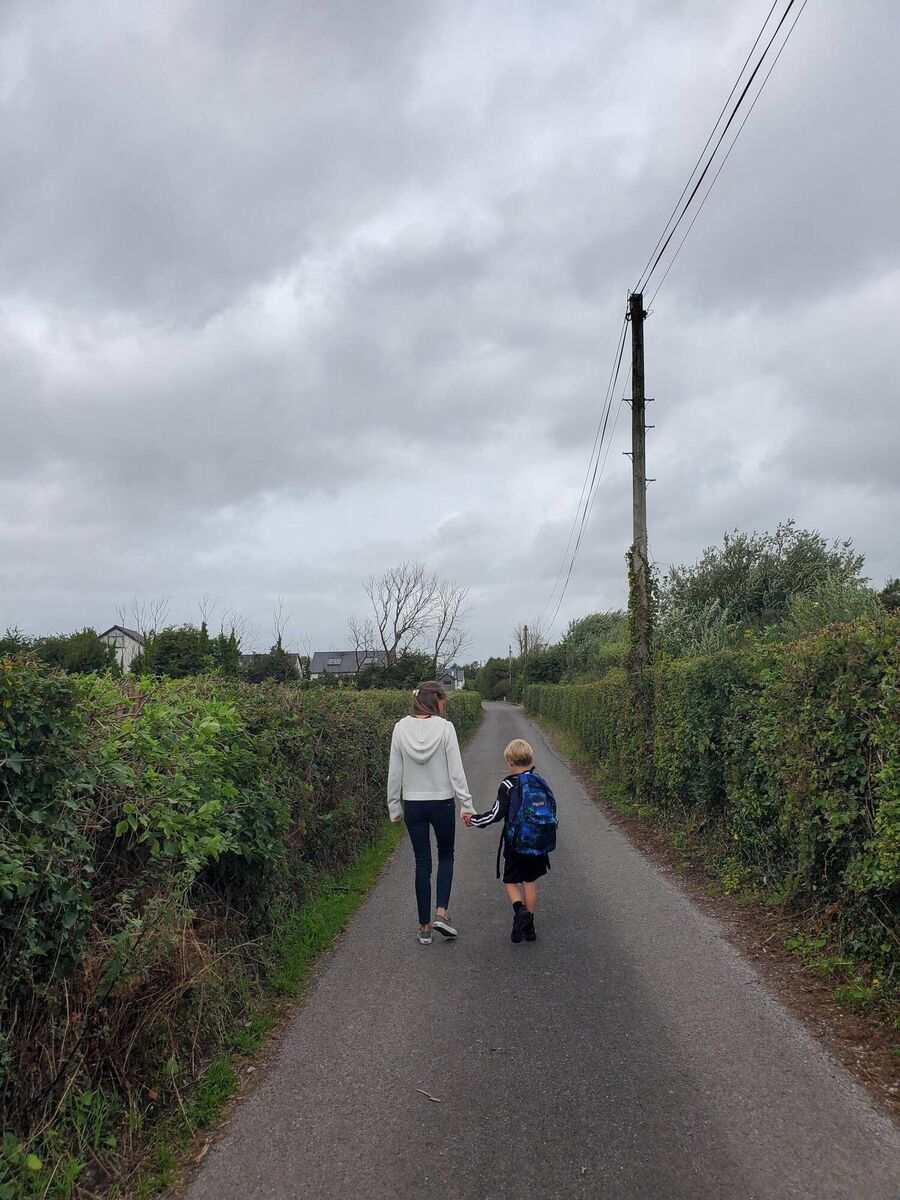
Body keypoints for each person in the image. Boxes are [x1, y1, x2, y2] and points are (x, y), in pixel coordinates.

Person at [387, 681, 475, 944]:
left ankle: (424, 928)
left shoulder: (400, 728)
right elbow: (455, 771)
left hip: (413, 804)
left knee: (422, 862)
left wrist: (395, 806)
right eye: (443, 700)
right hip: (442, 802)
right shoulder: (446, 729)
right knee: (446, 855)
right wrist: (466, 805)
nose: (444, 705)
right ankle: (441, 913)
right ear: (435, 699)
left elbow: (395, 771)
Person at [463, 738, 556, 943]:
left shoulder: (508, 785)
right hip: (537, 844)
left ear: (510, 761)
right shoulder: (540, 782)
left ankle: (520, 911)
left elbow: (496, 814)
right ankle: (529, 928)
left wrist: (474, 820)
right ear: (530, 760)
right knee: (530, 883)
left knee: (510, 881)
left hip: (516, 846)